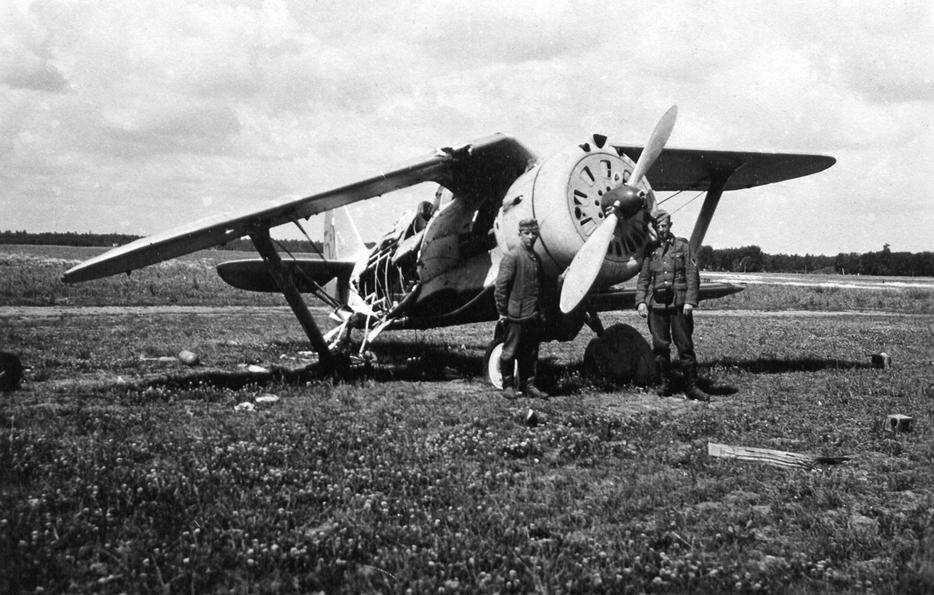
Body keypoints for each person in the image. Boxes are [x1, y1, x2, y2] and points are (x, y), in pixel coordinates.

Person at [634, 210, 710, 401]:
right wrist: (641, 301)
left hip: (678, 304)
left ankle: (692, 386)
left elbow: (692, 274)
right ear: (655, 228)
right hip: (657, 305)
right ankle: (664, 384)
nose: (661, 229)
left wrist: (690, 302)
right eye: (658, 226)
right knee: (660, 346)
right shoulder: (650, 250)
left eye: (664, 226)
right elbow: (644, 278)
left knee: (685, 346)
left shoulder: (682, 246)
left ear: (670, 226)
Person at [494, 218, 549, 400]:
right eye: (527, 233)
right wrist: (502, 312)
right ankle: (508, 385)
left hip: (532, 314)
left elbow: (541, 285)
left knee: (531, 352)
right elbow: (501, 287)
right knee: (509, 351)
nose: (531, 237)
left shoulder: (536, 258)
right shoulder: (512, 257)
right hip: (515, 315)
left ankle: (529, 385)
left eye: (534, 233)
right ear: (520, 234)